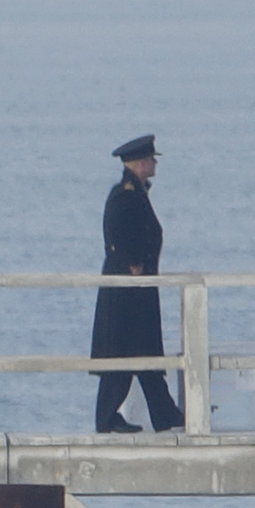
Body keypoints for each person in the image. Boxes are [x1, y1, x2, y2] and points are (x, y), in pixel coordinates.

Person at [90, 134, 183, 433]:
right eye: (151, 159)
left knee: (145, 353)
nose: (155, 163)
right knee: (124, 354)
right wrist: (133, 265)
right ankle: (107, 418)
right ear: (140, 163)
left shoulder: (136, 193)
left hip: (139, 289)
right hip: (128, 290)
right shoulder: (125, 194)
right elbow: (117, 233)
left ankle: (165, 415)